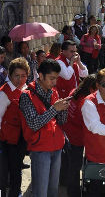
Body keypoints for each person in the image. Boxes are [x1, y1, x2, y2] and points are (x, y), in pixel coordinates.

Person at [20, 60, 69, 197]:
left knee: (53, 190)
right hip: (40, 149)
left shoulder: (54, 92)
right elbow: (34, 124)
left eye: (56, 78)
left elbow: (61, 121)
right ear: (40, 76)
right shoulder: (26, 95)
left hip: (57, 146)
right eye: (51, 78)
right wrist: (55, 109)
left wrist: (64, 109)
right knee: (40, 191)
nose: (55, 82)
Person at [0, 58, 28, 197]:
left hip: (21, 138)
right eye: (17, 75)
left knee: (17, 168)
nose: (20, 79)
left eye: (23, 76)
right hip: (7, 140)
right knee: (8, 170)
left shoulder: (26, 90)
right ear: (10, 75)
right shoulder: (4, 93)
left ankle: (16, 192)